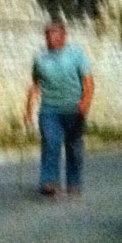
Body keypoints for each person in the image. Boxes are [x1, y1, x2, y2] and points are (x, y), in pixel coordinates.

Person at [23, 21, 95, 197]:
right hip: (49, 110)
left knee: (74, 147)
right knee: (51, 142)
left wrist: (85, 102)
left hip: (74, 109)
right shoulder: (40, 58)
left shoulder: (76, 55)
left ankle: (73, 183)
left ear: (64, 36)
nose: (50, 38)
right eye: (47, 35)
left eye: (54, 34)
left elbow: (88, 82)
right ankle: (49, 182)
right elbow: (35, 84)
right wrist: (28, 109)